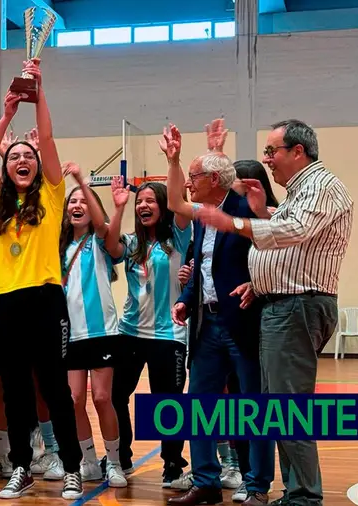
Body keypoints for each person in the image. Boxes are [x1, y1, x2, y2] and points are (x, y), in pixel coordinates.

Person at [195, 119, 354, 506]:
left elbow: (294, 232)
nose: (267, 160)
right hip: (282, 303)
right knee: (278, 407)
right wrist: (260, 275)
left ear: (298, 152)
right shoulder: (300, 190)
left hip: (297, 305)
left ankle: (303, 497)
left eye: (272, 151)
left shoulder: (320, 185)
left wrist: (237, 221)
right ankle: (296, 492)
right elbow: (292, 247)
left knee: (288, 407)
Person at [0, 58, 84, 501]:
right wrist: (7, 115)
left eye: (28, 156)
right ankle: (21, 466)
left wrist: (38, 92)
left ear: (38, 166)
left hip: (45, 300)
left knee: (55, 388)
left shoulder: (53, 196)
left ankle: (72, 467)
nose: (22, 160)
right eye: (15, 156)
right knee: (13, 392)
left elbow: (49, 138)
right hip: (4, 303)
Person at [158, 121, 272, 506]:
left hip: (242, 320)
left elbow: (271, 252)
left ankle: (256, 486)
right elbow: (200, 262)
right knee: (200, 404)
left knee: (253, 407)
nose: (189, 184)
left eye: (193, 176)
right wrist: (185, 299)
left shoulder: (245, 207)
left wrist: (257, 285)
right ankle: (206, 482)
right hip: (206, 324)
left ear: (214, 179)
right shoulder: (203, 214)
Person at [107, 173, 192, 489]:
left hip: (168, 336)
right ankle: (122, 458)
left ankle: (172, 466)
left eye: (150, 200)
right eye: (139, 201)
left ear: (163, 206)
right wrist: (118, 207)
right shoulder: (131, 243)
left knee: (167, 403)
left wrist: (173, 160)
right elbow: (110, 246)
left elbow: (181, 203)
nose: (143, 205)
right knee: (116, 395)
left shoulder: (179, 240)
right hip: (129, 332)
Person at [58, 163, 128, 488]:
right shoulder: (59, 249)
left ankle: (113, 462)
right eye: (72, 202)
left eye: (83, 202)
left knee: (102, 398)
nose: (77, 206)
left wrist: (81, 183)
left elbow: (102, 225)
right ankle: (88, 461)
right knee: (73, 401)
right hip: (69, 336)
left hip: (102, 333)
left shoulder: (101, 243)